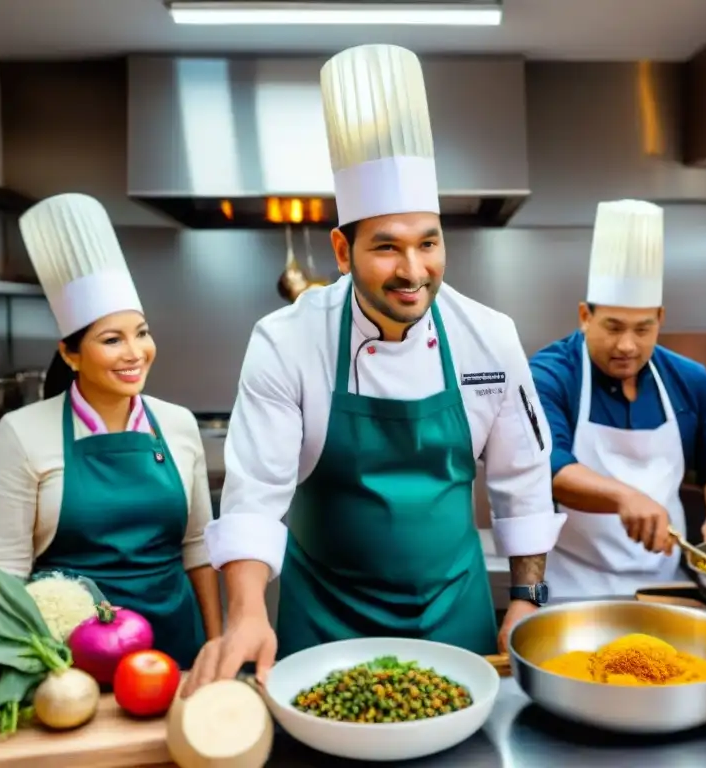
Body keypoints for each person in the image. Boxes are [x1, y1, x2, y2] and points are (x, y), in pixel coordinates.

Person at [183, 44, 563, 695]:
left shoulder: (489, 338)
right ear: (342, 249)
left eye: (429, 242)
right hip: (328, 620)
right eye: (386, 246)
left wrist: (526, 594)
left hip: (457, 613)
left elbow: (522, 480)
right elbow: (255, 496)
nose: (413, 271)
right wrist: (246, 611)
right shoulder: (286, 340)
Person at [0, 193, 221, 668]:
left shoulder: (176, 423)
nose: (135, 352)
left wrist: (214, 644)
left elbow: (197, 547)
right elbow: (1, 573)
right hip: (67, 662)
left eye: (141, 332)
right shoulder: (23, 433)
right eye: (112, 339)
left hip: (175, 650)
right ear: (70, 354)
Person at [529, 200, 706, 597]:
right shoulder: (551, 375)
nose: (627, 345)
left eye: (643, 329)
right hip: (572, 585)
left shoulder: (688, 378)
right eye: (612, 327)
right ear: (584, 315)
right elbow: (549, 468)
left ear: (660, 318)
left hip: (667, 582)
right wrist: (625, 497)